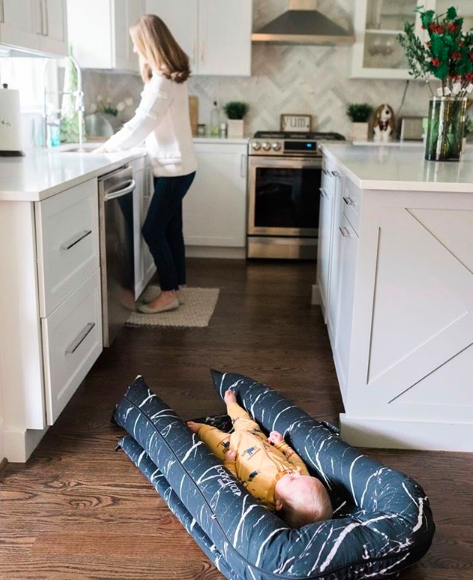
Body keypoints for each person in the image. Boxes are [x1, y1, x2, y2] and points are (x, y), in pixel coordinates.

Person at [94, 15, 197, 314]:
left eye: (137, 46)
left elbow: (142, 123)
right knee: (169, 229)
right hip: (178, 166)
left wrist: (107, 147)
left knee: (153, 230)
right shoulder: (170, 77)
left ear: (149, 44)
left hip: (174, 168)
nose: (136, 52)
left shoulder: (163, 81)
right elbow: (149, 124)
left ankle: (168, 293)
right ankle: (176, 286)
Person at [187, 390, 333, 528]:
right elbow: (294, 458)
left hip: (232, 449)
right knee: (243, 419)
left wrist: (229, 463)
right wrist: (281, 444)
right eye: (301, 475)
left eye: (293, 479)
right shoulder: (300, 476)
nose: (295, 473)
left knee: (212, 438)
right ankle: (231, 404)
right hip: (255, 435)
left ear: (279, 504)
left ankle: (201, 429)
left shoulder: (260, 497)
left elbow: (234, 484)